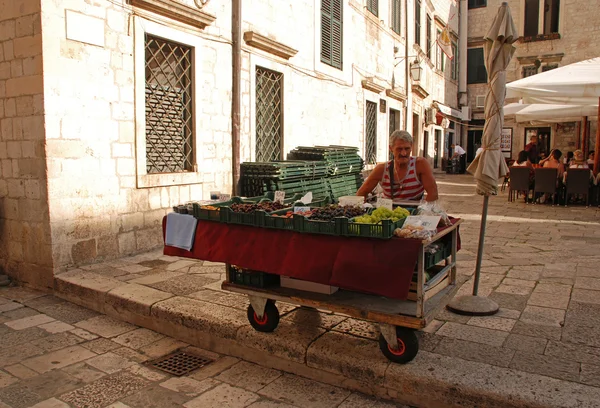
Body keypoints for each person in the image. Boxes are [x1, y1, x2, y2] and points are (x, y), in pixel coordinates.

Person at [357, 130, 439, 202]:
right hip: (389, 213)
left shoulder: (420, 165)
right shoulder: (381, 169)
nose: (404, 153)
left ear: (411, 147)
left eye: (407, 149)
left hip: (414, 213)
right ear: (391, 148)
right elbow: (361, 194)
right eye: (399, 149)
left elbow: (433, 194)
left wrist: (424, 211)